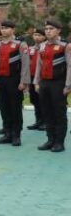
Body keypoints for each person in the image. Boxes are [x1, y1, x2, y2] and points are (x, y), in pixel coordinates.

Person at [33, 19, 71, 153]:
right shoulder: (42, 46)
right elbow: (39, 65)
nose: (48, 31)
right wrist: (36, 82)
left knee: (59, 113)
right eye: (47, 29)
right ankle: (50, 140)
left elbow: (70, 66)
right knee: (47, 112)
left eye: (51, 29)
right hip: (44, 83)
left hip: (59, 83)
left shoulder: (65, 45)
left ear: (58, 30)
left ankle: (59, 142)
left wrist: (68, 85)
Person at [0, 20, 30, 146]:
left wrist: (24, 81)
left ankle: (16, 135)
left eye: (6, 28)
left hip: (15, 80)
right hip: (2, 80)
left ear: (13, 30)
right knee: (4, 107)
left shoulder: (20, 44)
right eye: (2, 28)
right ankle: (7, 133)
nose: (4, 30)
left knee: (15, 108)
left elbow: (25, 64)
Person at [27, 27, 46, 131]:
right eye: (35, 35)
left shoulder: (45, 47)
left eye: (39, 35)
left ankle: (45, 122)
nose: (37, 37)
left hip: (43, 78)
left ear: (44, 37)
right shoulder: (30, 49)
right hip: (32, 77)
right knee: (34, 100)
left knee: (43, 100)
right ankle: (38, 121)